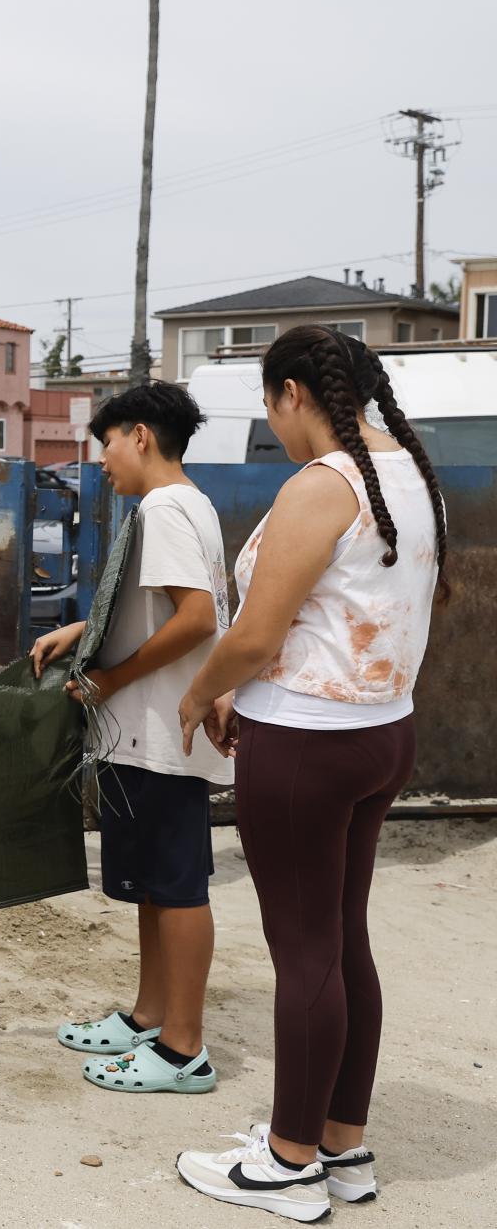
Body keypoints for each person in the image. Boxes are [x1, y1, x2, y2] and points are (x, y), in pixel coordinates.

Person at [173, 326, 447, 1222]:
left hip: (306, 744)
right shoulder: (408, 470)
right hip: (382, 733)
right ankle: (341, 1144)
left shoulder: (321, 487)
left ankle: (287, 1162)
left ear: (294, 392)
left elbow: (254, 635)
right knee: (341, 942)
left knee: (304, 953)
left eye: (267, 403)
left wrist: (201, 695)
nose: (271, 421)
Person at [30, 382, 231, 1096]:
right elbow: (152, 610)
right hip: (146, 731)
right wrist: (82, 631)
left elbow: (199, 618)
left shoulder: (166, 509)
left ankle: (184, 1050)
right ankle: (151, 1016)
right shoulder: (191, 504)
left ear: (140, 434)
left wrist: (111, 680)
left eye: (107, 444)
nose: (104, 460)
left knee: (177, 886)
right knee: (154, 881)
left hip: (158, 727)